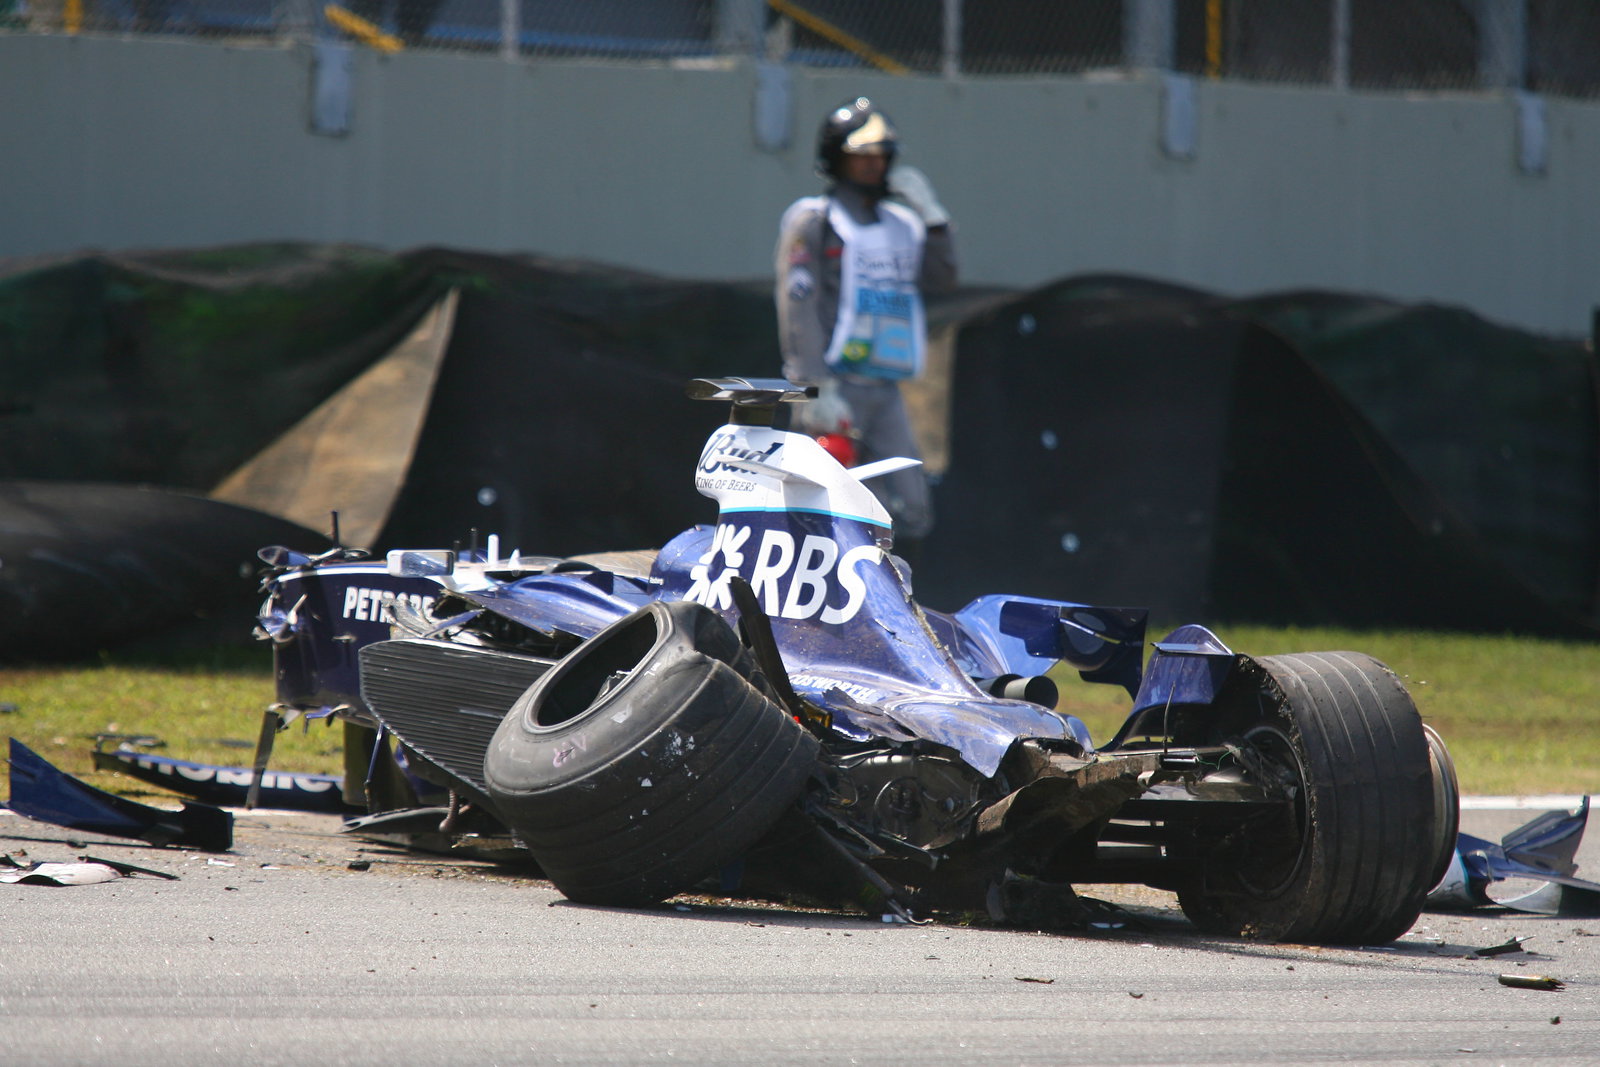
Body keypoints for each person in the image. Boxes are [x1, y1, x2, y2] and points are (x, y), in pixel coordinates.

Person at [775, 96, 956, 555]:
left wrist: (933, 218)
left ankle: (884, 595)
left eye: (880, 155)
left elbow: (940, 279)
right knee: (817, 505)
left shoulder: (903, 224)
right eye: (861, 155)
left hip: (885, 390)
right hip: (835, 388)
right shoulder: (815, 220)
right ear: (838, 158)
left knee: (912, 508)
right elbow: (799, 305)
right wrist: (814, 386)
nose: (873, 165)